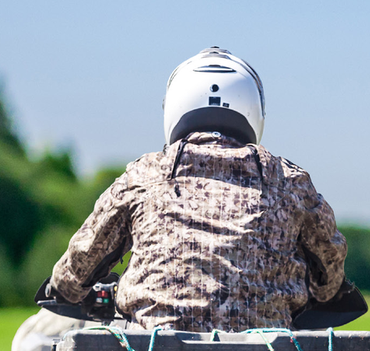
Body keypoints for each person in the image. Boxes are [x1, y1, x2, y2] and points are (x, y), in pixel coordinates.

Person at [48, 47, 346, 333]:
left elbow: (80, 264)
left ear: (175, 106)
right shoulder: (288, 181)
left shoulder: (144, 176)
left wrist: (62, 286)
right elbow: (329, 272)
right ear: (254, 109)